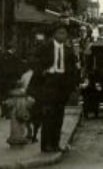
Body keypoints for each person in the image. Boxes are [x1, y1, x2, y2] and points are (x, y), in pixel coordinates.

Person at [33, 22, 80, 153]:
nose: (62, 35)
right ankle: (46, 145)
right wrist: (42, 71)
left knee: (59, 116)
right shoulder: (45, 47)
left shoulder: (69, 51)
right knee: (48, 115)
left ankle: (55, 144)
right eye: (60, 33)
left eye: (64, 33)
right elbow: (34, 61)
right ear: (54, 34)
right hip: (49, 83)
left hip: (62, 85)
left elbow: (73, 70)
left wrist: (71, 86)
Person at [0, 46, 24, 119]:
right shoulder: (15, 58)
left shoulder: (0, 56)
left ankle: (3, 111)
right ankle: (8, 112)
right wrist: (19, 77)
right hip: (11, 80)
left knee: (3, 96)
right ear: (13, 49)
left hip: (2, 79)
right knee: (10, 96)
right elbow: (18, 69)